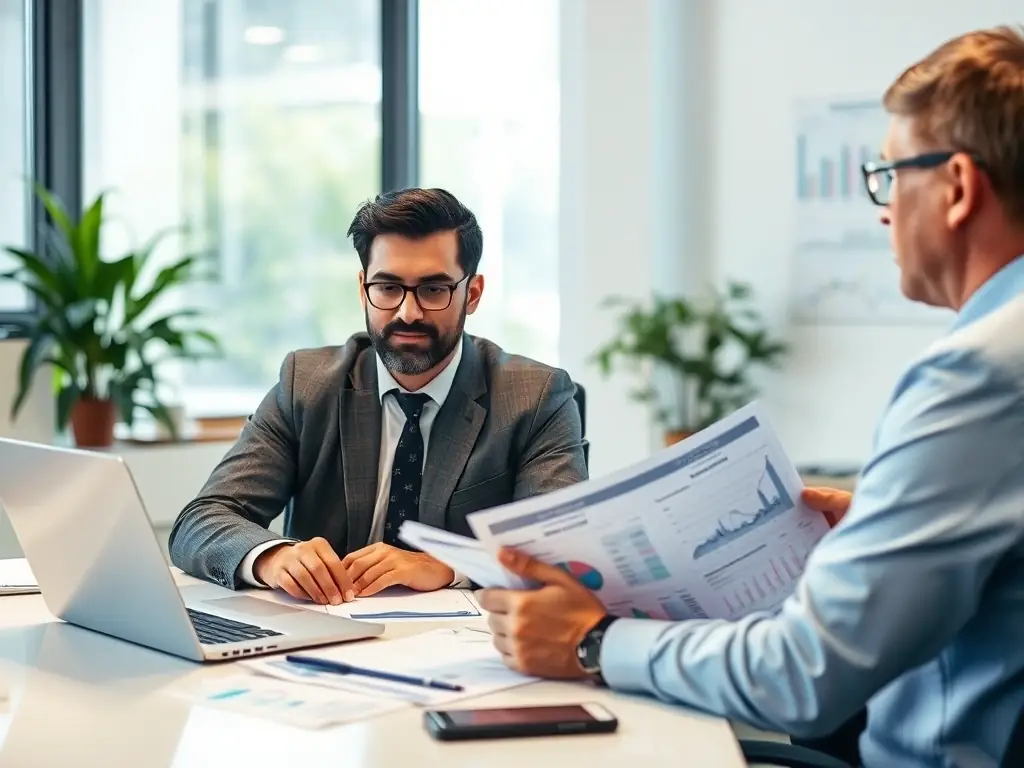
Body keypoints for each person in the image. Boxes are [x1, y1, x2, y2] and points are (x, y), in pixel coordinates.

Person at [477, 26, 1024, 768]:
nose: (884, 209)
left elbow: (803, 676)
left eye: (890, 174)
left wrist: (591, 640)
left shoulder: (979, 373)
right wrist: (884, 529)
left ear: (957, 187)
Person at [169, 188, 587, 605]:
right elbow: (200, 522)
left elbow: (562, 552)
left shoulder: (535, 398)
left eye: (434, 290)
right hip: (326, 638)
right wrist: (273, 557)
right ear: (362, 287)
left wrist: (448, 565)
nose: (408, 312)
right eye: (387, 288)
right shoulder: (307, 384)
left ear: (472, 294)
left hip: (467, 649)